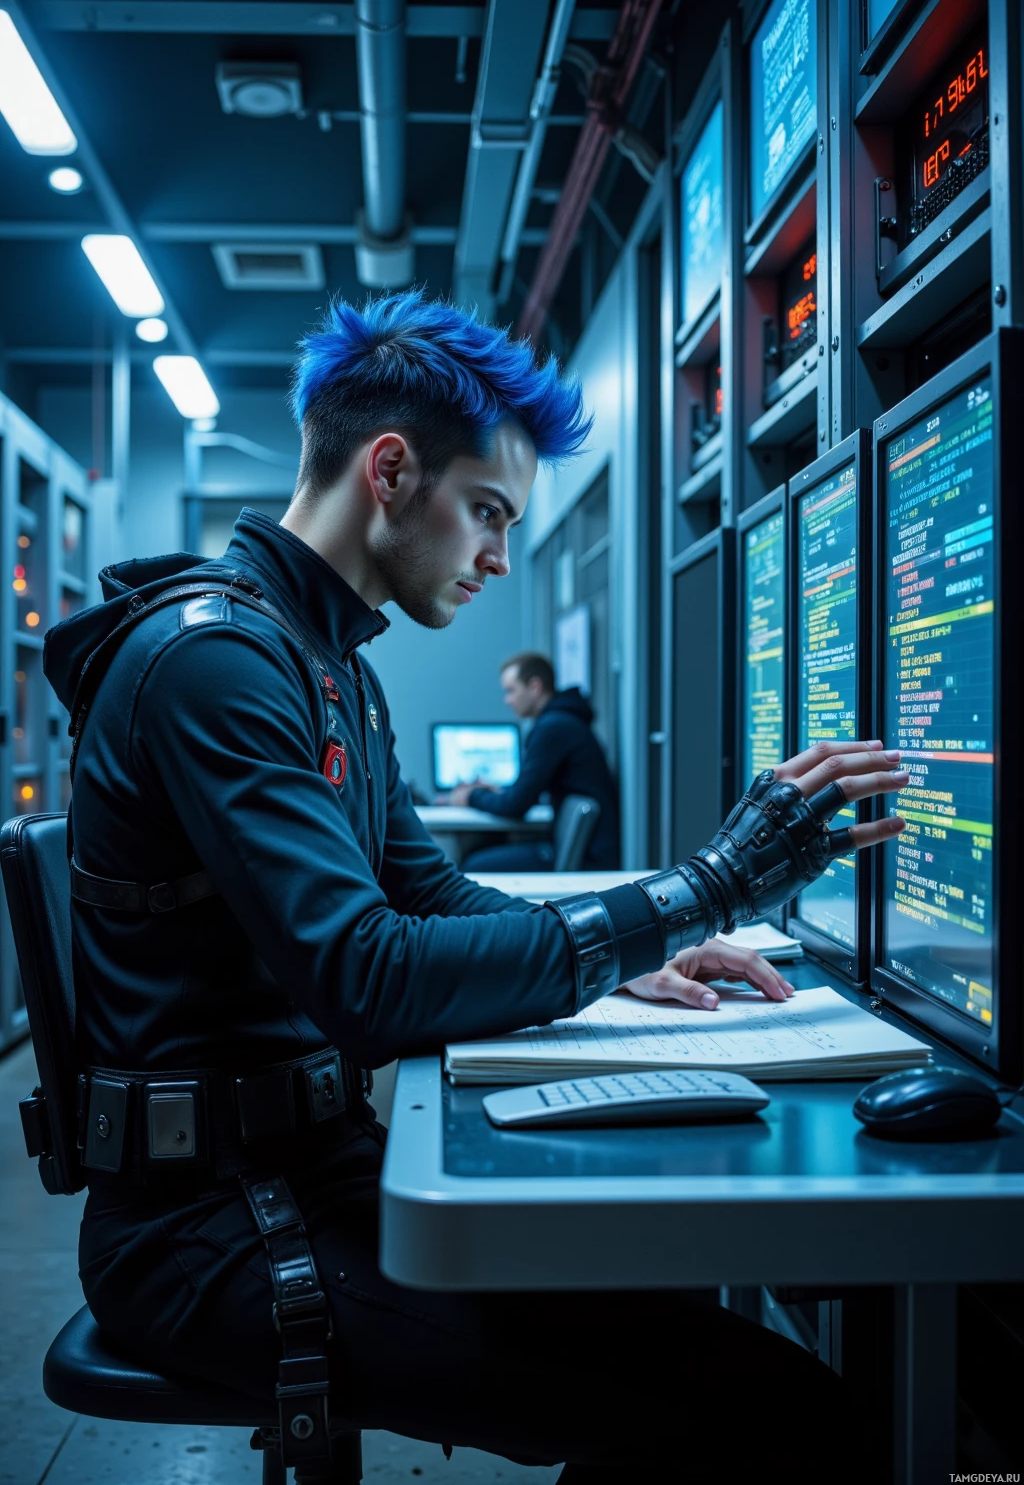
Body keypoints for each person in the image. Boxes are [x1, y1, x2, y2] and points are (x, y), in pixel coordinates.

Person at [45, 290, 908, 1483]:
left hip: (309, 1168)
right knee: (774, 1414)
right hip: (207, 1230)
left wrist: (635, 951)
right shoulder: (216, 663)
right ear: (390, 470)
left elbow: (434, 901)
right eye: (488, 513)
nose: (500, 559)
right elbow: (368, 980)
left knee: (721, 1372)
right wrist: (707, 885)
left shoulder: (328, 665)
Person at [438, 652, 620, 871]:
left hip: (588, 860)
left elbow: (516, 805)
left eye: (511, 691)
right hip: (588, 850)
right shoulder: (564, 721)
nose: (507, 700)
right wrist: (497, 793)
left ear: (534, 687)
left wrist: (470, 795)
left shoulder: (553, 727)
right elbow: (526, 793)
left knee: (472, 864)